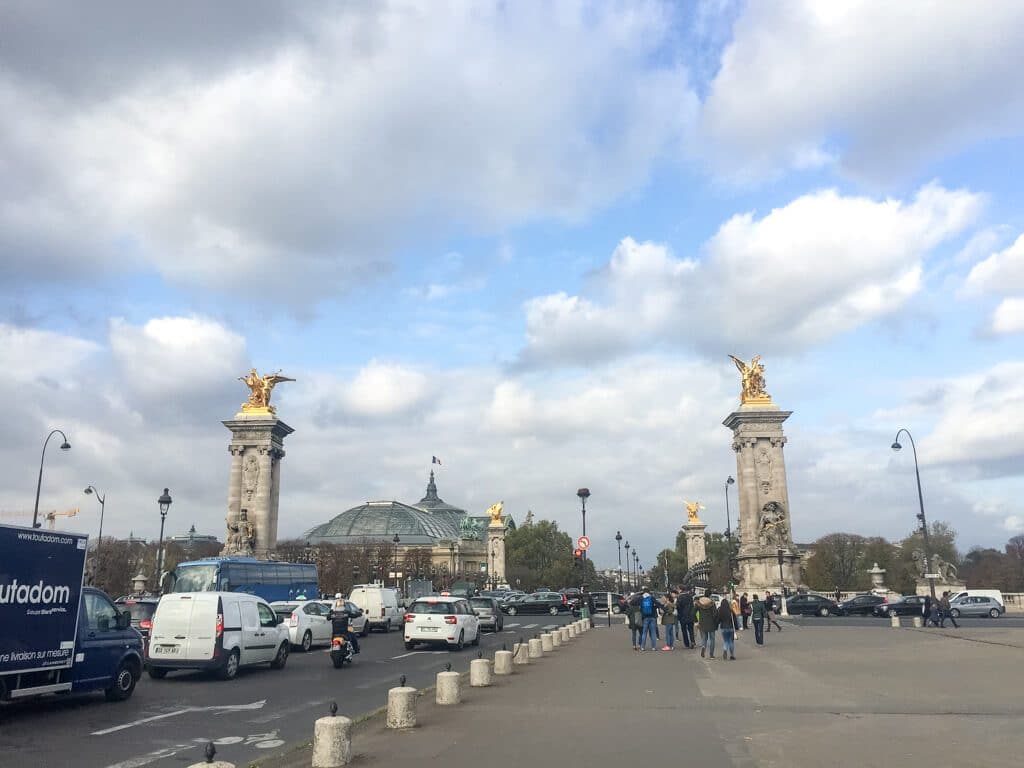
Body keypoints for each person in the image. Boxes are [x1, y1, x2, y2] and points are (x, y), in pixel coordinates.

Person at [695, 589, 718, 658]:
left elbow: (693, 612)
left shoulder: (699, 603)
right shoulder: (712, 603)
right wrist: (716, 622)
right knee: (712, 639)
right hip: (711, 623)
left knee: (704, 638)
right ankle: (711, 654)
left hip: (702, 623)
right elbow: (715, 614)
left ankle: (703, 647)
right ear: (710, 595)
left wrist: (696, 620)